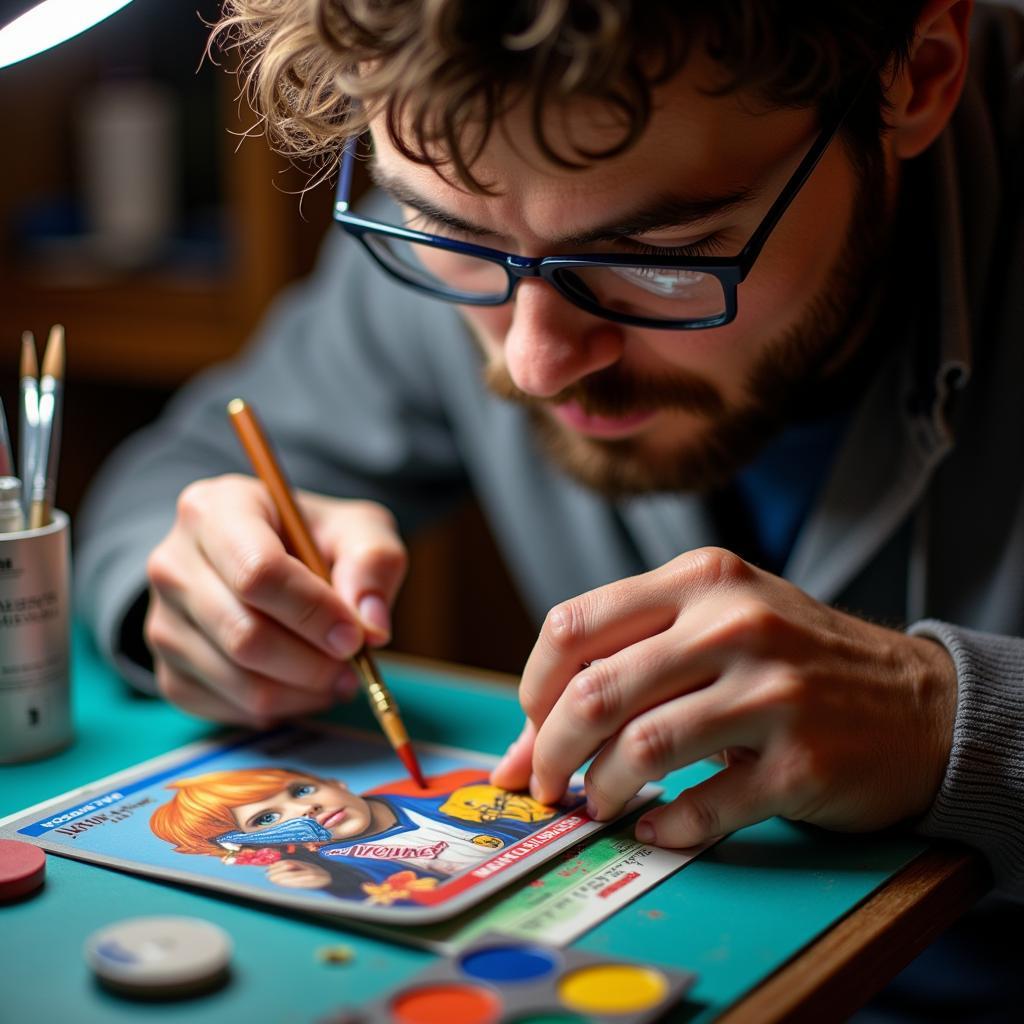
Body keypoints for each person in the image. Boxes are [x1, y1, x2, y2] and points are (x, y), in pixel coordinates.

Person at [76, 1, 1024, 1017]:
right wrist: (197, 590)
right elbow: (182, 472)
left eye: (658, 257)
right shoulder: (470, 183)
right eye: (448, 234)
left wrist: (949, 722)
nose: (532, 360)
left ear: (916, 77)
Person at [150, 766, 559, 904]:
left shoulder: (458, 793)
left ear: (334, 782)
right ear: (244, 846)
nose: (305, 808)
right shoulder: (335, 871)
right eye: (266, 818)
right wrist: (334, 882)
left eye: (302, 790)